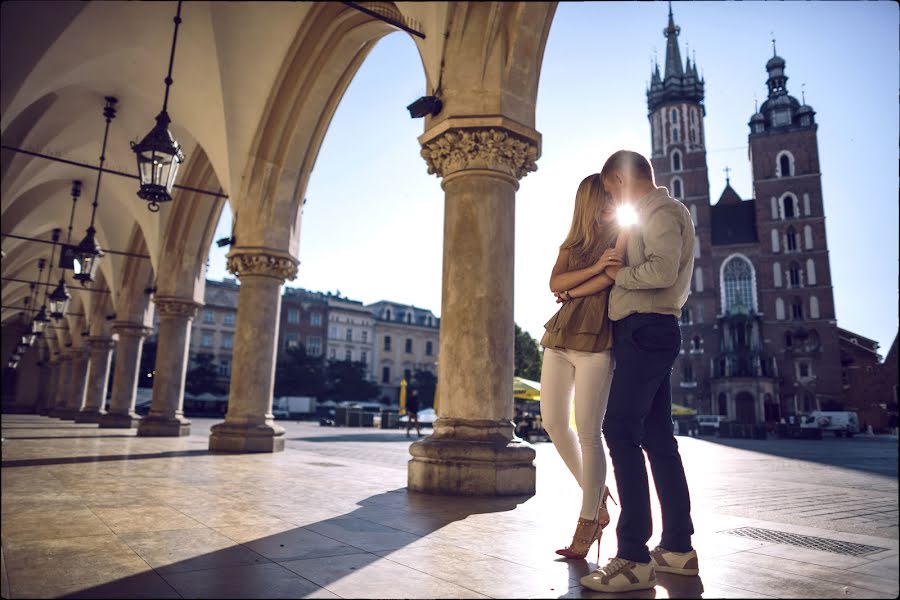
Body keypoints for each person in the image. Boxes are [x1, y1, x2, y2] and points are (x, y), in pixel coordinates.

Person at [581, 150, 698, 593]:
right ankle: (677, 549)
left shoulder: (663, 212)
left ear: (619, 178)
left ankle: (633, 556)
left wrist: (617, 274)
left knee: (619, 430)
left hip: (647, 329)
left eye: (611, 189)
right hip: (648, 330)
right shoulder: (653, 213)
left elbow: (663, 271)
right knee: (658, 440)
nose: (611, 197)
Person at [539, 173, 627, 561]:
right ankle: (597, 494)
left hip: (597, 338)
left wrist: (571, 288)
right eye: (604, 198)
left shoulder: (623, 232)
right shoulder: (572, 242)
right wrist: (582, 278)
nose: (611, 203)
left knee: (589, 433)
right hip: (560, 337)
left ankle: (588, 519)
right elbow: (554, 281)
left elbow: (611, 278)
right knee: (553, 424)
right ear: (588, 201)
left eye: (613, 197)